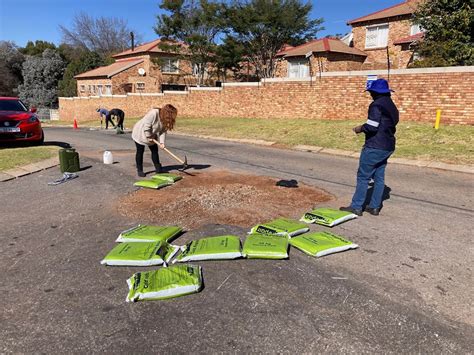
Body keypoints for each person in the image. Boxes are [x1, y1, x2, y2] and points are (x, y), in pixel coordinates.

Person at [340, 78, 399, 216]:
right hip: (388, 146)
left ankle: (356, 206)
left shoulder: (376, 105)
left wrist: (359, 128)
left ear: (375, 92)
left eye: (371, 92)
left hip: (374, 146)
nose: (370, 94)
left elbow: (372, 126)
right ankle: (374, 206)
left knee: (363, 176)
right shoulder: (392, 105)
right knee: (379, 176)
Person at [131, 104, 178, 177]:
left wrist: (162, 142)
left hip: (152, 134)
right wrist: (148, 136)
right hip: (139, 132)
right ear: (166, 112)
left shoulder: (165, 119)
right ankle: (140, 170)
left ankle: (158, 169)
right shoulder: (154, 113)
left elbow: (162, 131)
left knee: (154, 150)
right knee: (140, 151)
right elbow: (146, 126)